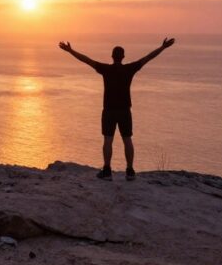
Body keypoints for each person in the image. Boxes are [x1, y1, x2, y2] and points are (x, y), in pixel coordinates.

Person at [58, 37, 175, 181]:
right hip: (125, 110)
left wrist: (70, 51)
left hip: (109, 110)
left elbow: (86, 60)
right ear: (123, 57)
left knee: (108, 140)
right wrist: (162, 47)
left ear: (112, 57)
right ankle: (130, 171)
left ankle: (107, 171)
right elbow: (148, 57)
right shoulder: (129, 69)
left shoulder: (106, 69)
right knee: (127, 140)